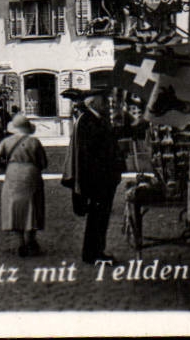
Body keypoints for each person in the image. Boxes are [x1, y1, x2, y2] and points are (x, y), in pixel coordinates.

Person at [62, 87, 126, 264]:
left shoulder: (94, 119)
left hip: (103, 179)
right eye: (104, 102)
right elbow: (90, 156)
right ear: (95, 103)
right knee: (97, 218)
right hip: (99, 180)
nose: (107, 104)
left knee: (100, 217)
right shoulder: (89, 121)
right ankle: (94, 253)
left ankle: (96, 251)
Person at [0, 115, 47, 256]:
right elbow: (43, 162)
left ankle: (20, 242)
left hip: (13, 173)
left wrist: (5, 164)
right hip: (31, 173)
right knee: (33, 205)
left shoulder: (7, 141)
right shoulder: (34, 142)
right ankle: (31, 240)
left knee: (14, 206)